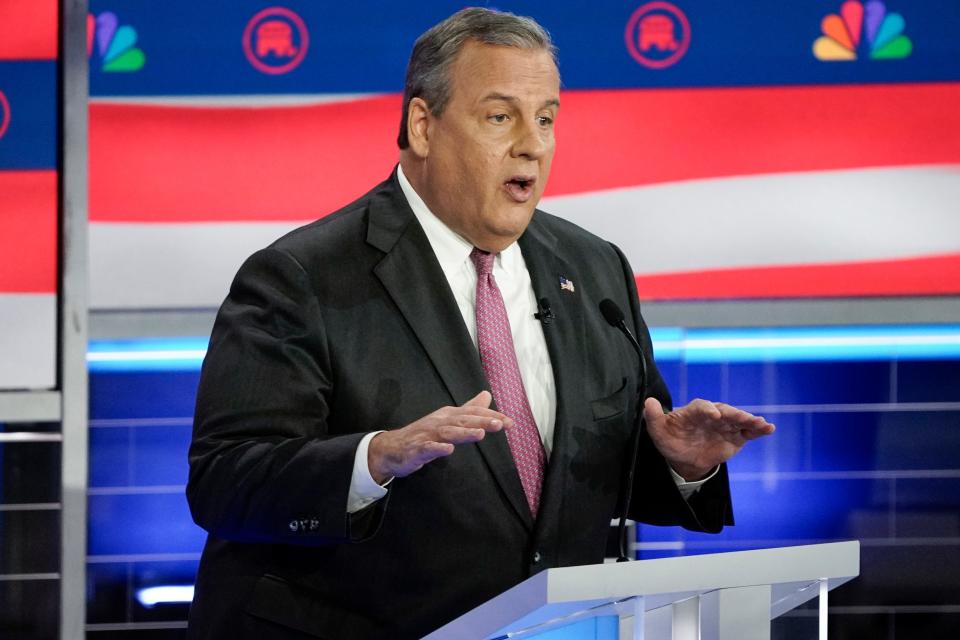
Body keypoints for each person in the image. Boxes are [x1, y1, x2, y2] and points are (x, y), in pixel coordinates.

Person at [186, 8, 774, 639]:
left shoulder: (596, 269)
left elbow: (587, 488)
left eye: (546, 118)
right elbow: (226, 481)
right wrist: (374, 458)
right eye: (501, 117)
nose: (533, 144)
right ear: (423, 125)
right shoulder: (302, 276)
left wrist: (681, 466)